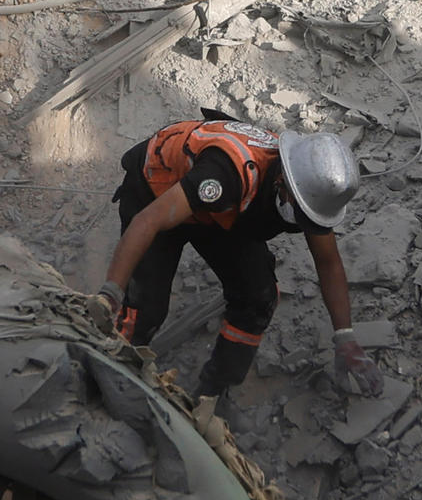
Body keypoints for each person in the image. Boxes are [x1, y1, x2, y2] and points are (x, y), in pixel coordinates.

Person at [95, 118, 370, 398]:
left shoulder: (310, 193)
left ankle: (212, 393)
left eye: (308, 218)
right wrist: (111, 293)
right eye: (300, 214)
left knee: (258, 297)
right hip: (158, 192)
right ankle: (110, 367)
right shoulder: (229, 172)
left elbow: (328, 262)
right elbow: (147, 221)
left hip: (221, 211)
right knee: (147, 308)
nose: (302, 223)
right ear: (282, 182)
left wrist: (344, 335)